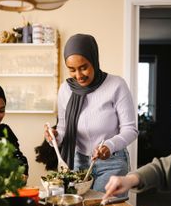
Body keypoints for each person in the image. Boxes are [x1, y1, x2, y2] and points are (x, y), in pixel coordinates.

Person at [45, 33, 138, 193]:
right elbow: (63, 129)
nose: (78, 76)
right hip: (77, 162)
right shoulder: (65, 90)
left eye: (83, 67)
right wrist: (54, 137)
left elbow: (130, 130)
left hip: (112, 162)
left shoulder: (116, 85)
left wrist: (109, 145)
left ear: (94, 60)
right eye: (72, 70)